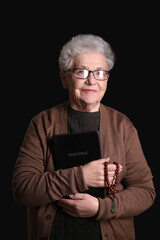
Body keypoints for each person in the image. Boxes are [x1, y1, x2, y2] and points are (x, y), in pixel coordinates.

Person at [12, 34, 156, 240]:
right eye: (82, 72)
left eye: (99, 73)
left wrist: (101, 207)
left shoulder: (122, 125)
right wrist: (81, 177)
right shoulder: (42, 123)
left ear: (106, 79)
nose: (91, 80)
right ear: (64, 78)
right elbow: (23, 189)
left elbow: (145, 192)